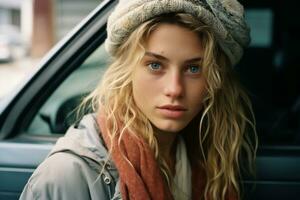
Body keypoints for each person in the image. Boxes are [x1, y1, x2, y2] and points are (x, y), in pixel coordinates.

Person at [19, 0, 257, 199]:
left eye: (194, 69)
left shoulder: (204, 155)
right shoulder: (67, 176)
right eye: (155, 65)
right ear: (127, 71)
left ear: (214, 80)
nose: (174, 89)